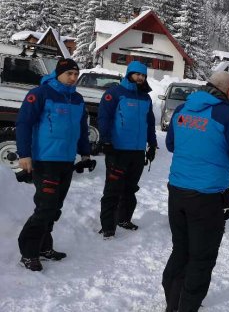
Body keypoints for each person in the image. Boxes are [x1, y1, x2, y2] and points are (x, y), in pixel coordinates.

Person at [162, 71, 229, 312]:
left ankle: (172, 301)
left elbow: (171, 144)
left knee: (180, 249)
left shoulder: (183, 108)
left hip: (177, 192)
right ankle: (185, 306)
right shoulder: (225, 113)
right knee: (201, 257)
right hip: (206, 197)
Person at [15, 58, 92, 271]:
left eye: (76, 74)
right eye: (69, 74)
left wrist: (85, 153)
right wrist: (24, 154)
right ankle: (28, 253)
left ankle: (43, 247)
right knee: (45, 207)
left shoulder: (77, 99)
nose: (73, 78)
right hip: (45, 159)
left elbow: (81, 129)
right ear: (58, 74)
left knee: (54, 208)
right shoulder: (41, 94)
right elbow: (24, 123)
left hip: (66, 161)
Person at [97, 61, 157, 238]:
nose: (140, 78)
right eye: (137, 74)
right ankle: (108, 226)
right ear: (129, 73)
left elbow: (150, 123)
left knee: (130, 188)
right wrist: (106, 140)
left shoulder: (145, 98)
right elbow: (104, 118)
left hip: (137, 151)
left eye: (143, 75)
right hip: (118, 149)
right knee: (113, 189)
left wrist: (152, 144)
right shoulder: (115, 93)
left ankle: (124, 219)